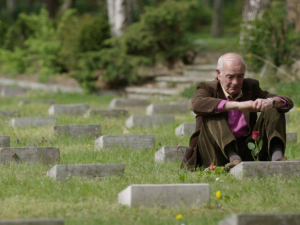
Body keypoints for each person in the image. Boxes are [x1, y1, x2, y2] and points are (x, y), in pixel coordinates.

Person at [181, 53, 294, 170]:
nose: (235, 82)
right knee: (214, 109)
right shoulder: (207, 88)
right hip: (215, 151)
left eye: (240, 76)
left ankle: (277, 159)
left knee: (273, 107)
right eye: (230, 76)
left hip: (247, 149)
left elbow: (287, 101)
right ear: (219, 74)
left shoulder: (250, 86)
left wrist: (271, 102)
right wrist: (238, 106)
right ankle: (233, 157)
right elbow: (196, 104)